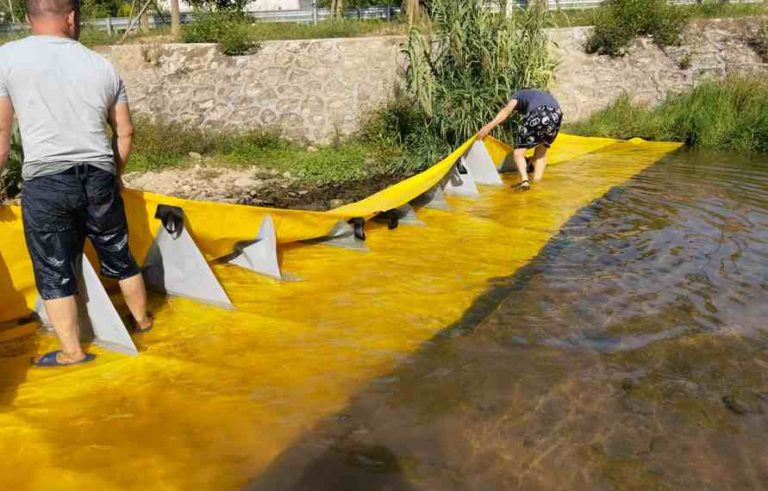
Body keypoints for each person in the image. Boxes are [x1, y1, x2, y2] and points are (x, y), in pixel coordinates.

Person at [0, 0, 153, 367]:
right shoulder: (102, 65)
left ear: (27, 18)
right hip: (98, 173)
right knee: (118, 251)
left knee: (53, 267)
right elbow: (125, 132)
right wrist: (112, 175)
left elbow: (2, 132)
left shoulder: (7, 58)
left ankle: (72, 352)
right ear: (71, 18)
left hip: (47, 179)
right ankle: (143, 322)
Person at [476, 88, 563, 191]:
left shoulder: (518, 94)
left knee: (518, 153)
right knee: (541, 153)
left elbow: (506, 111)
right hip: (557, 114)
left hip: (539, 112)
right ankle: (537, 184)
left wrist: (488, 127)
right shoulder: (538, 94)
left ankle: (524, 181)